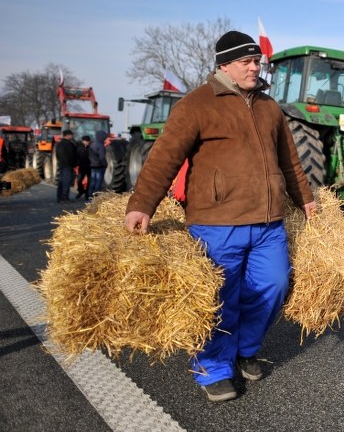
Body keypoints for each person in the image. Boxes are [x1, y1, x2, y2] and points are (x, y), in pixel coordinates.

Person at [125, 30, 317, 403]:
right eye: (246, 61)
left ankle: (245, 349)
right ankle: (213, 366)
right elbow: (164, 156)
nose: (254, 66)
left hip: (267, 223)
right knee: (220, 297)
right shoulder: (197, 104)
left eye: (256, 60)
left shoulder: (268, 106)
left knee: (273, 287)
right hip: (216, 222)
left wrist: (305, 198)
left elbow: (290, 160)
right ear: (224, 64)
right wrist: (142, 204)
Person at [54, 129, 78, 202]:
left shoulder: (59, 144)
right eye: (71, 134)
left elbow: (57, 155)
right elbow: (71, 155)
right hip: (68, 165)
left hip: (61, 164)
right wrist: (74, 164)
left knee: (61, 181)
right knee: (66, 181)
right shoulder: (68, 144)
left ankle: (59, 197)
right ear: (67, 135)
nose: (72, 136)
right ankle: (65, 197)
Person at [86, 130, 108, 199]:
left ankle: (89, 195)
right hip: (99, 166)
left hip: (92, 166)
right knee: (98, 182)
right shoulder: (101, 146)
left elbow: (89, 156)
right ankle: (96, 196)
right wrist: (105, 164)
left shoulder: (92, 144)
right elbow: (102, 157)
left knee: (92, 181)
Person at [75, 135, 91, 200]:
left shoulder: (91, 148)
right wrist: (77, 164)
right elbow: (76, 157)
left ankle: (87, 194)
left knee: (90, 181)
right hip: (81, 167)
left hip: (89, 167)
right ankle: (81, 190)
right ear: (83, 141)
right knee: (79, 180)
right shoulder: (79, 148)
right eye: (85, 141)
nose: (86, 142)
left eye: (88, 141)